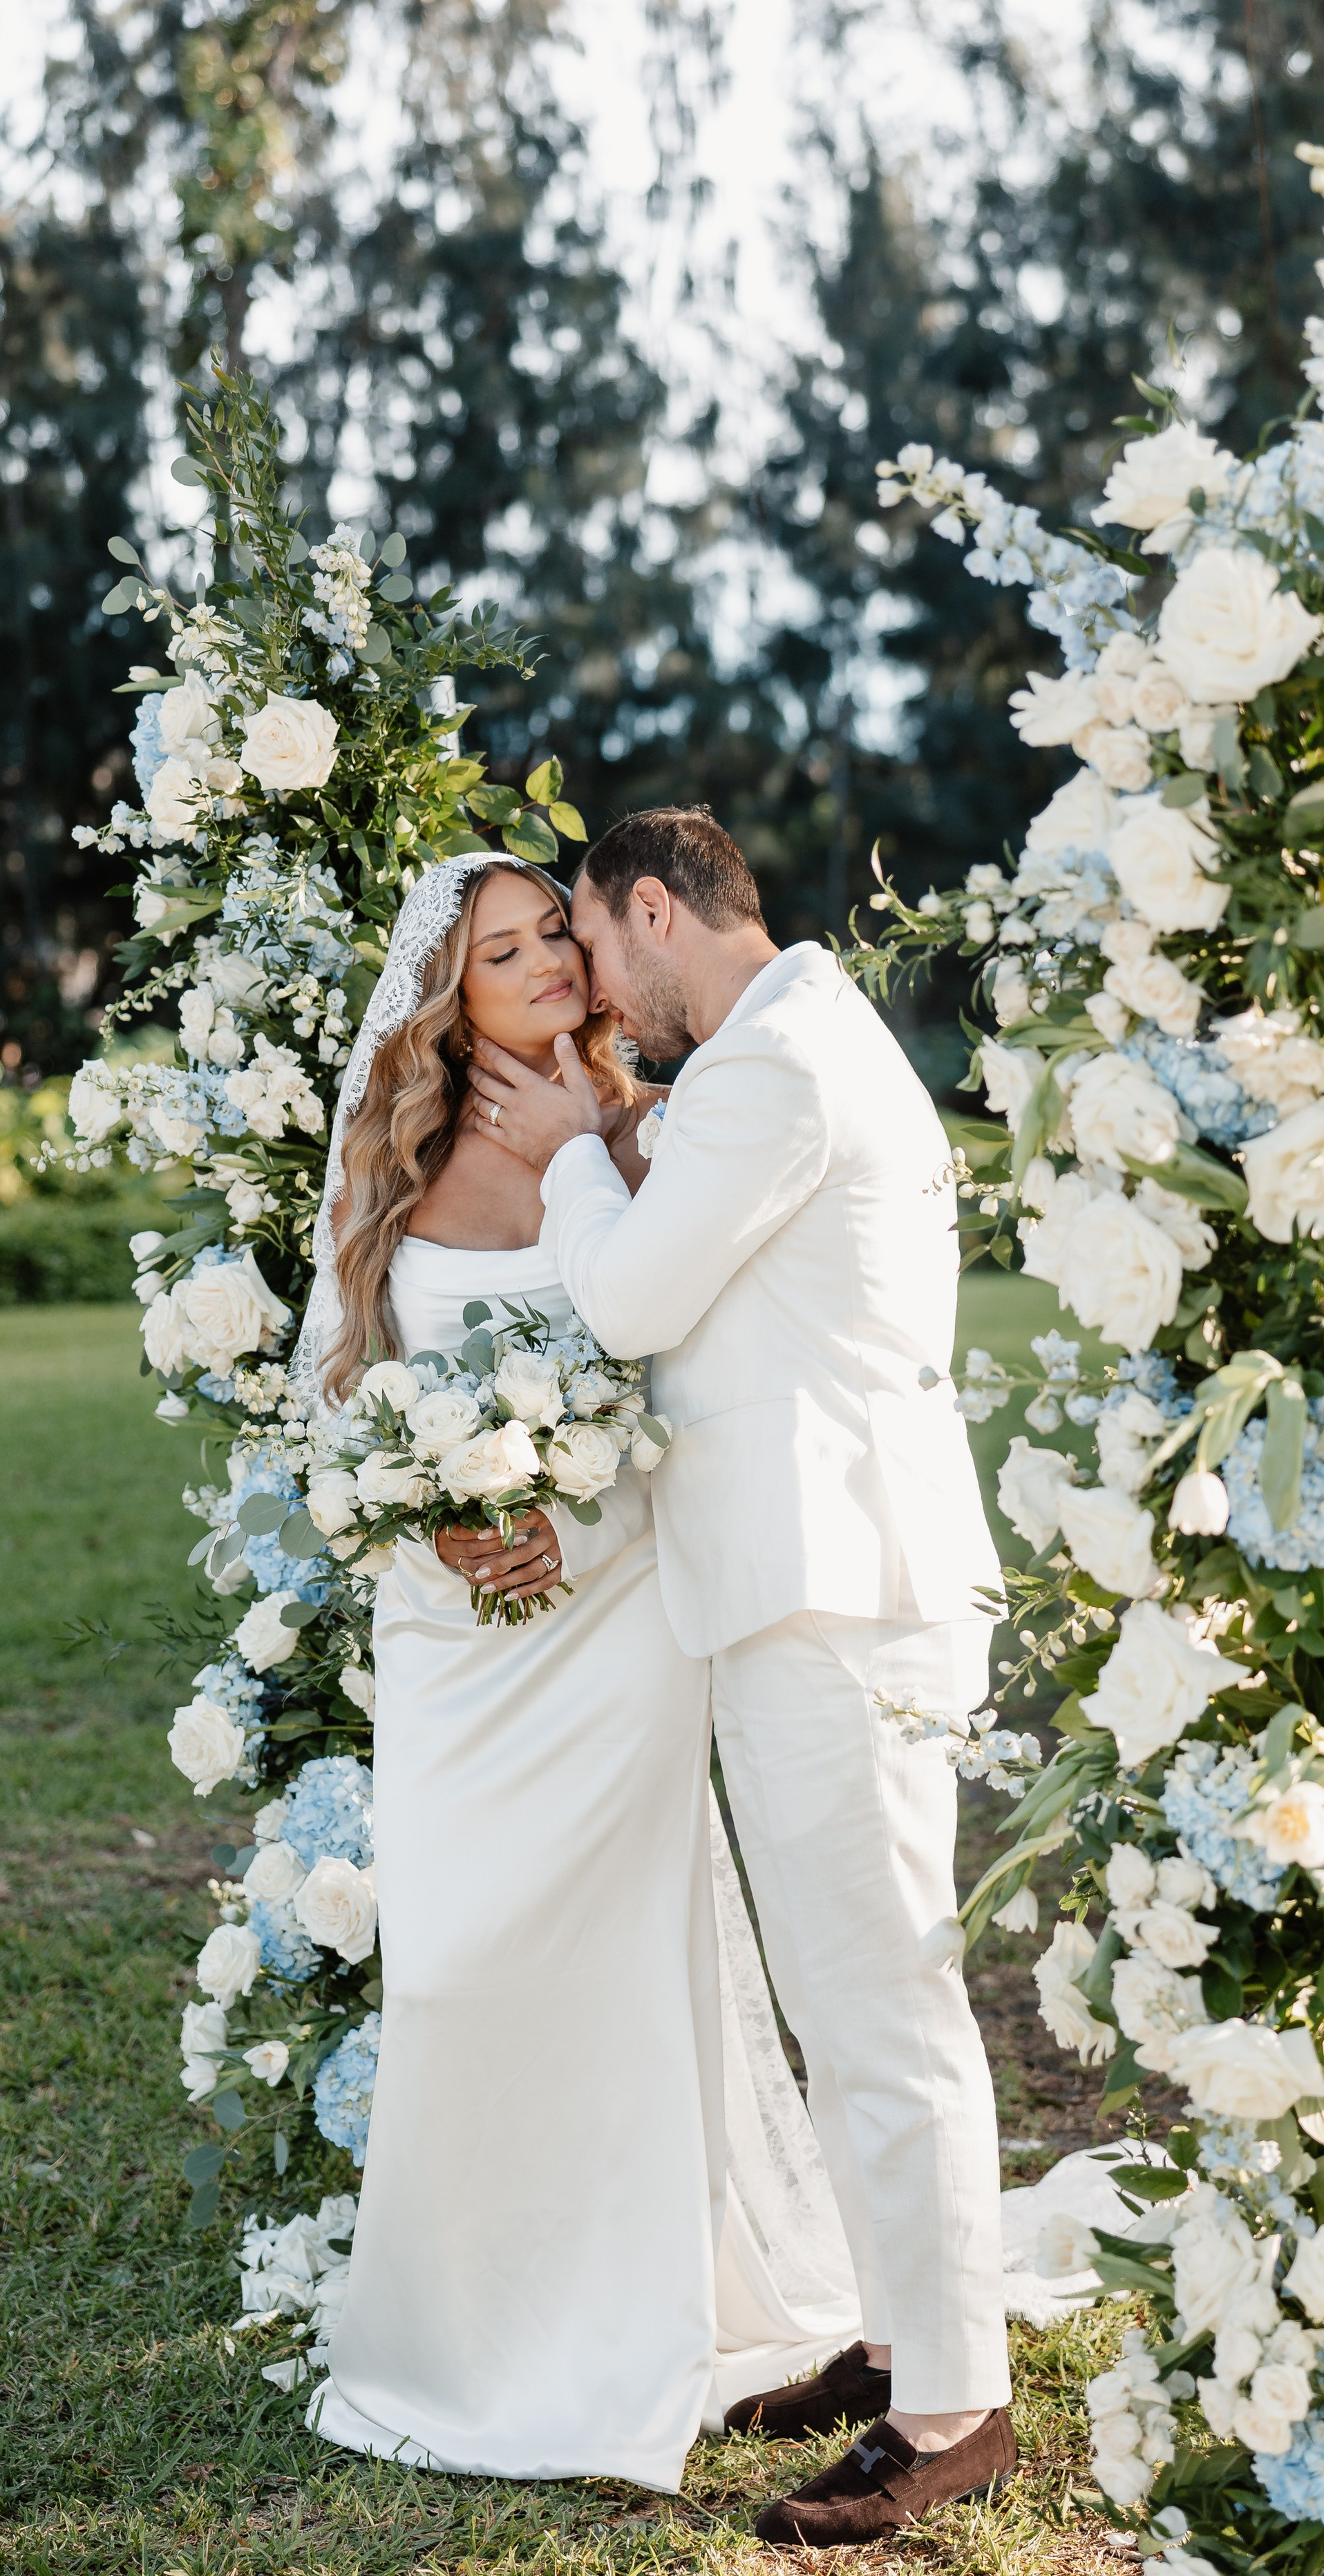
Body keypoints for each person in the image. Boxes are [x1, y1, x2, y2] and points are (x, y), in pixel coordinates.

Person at [466, 807, 1017, 2548]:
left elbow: (629, 1302)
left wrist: (567, 1146)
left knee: (879, 2008)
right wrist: (620, 1126)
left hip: (835, 1596)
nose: (589, 989)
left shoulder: (781, 1060)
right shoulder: (782, 1047)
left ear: (652, 910)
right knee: (846, 1999)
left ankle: (947, 2413)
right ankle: (894, 2328)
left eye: (590, 940)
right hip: (804, 1586)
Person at [293, 850, 860, 2486]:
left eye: (559, 932)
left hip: (610, 1620)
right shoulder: (385, 1158)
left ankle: (629, 2324)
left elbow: (687, 1372)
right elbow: (341, 1402)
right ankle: (464, 2332)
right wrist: (434, 1525)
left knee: (615, 1970)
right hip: (448, 1642)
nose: (550, 963)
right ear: (442, 990)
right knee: (460, 1964)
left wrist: (571, 1516)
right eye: (505, 948)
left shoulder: (634, 1132)